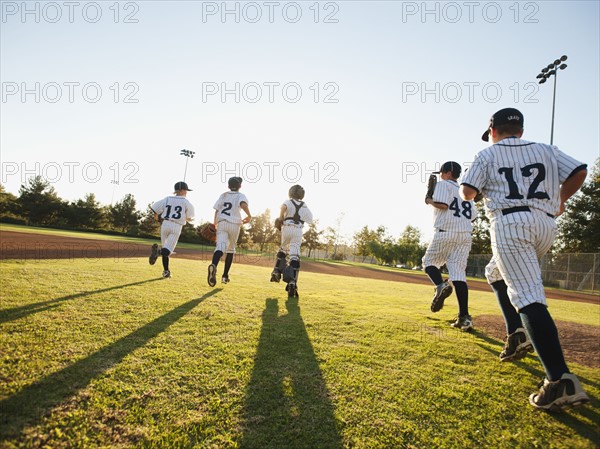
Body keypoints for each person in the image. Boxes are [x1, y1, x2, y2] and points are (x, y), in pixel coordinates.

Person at [460, 107, 589, 411]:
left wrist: (482, 190)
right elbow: (579, 171)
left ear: (493, 131)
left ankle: (559, 380)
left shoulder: (487, 154)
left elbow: (467, 192)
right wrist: (560, 202)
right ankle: (517, 333)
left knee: (528, 294)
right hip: (545, 225)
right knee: (495, 272)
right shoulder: (545, 149)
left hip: (510, 224)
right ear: (520, 129)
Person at [422, 161, 476, 331]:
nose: (440, 175)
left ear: (446, 172)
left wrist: (429, 200)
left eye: (441, 172)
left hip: (446, 231)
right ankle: (464, 318)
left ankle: (440, 285)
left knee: (428, 262)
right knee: (458, 275)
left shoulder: (442, 184)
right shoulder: (464, 190)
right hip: (465, 235)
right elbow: (473, 216)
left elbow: (443, 205)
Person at [270, 185, 313, 298]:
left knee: (283, 249)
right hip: (298, 230)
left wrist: (280, 218)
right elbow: (310, 220)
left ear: (290, 193)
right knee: (294, 255)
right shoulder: (304, 205)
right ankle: (293, 281)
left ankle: (276, 271)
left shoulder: (288, 202)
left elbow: (283, 207)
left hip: (287, 227)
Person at [207, 177, 251, 287]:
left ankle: (214, 265)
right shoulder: (241, 196)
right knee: (230, 249)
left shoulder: (223, 195)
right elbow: (243, 204)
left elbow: (217, 210)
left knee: (220, 248)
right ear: (240, 186)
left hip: (222, 223)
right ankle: (225, 276)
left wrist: (215, 224)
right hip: (234, 224)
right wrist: (249, 215)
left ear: (228, 186)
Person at [149, 181, 195, 278]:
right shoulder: (186, 202)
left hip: (165, 224)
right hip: (176, 226)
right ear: (182, 190)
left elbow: (155, 208)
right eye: (186, 190)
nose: (186, 192)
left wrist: (156, 216)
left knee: (165, 249)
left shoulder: (167, 199)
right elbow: (190, 217)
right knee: (167, 251)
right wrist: (187, 218)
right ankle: (158, 252)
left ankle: (166, 271)